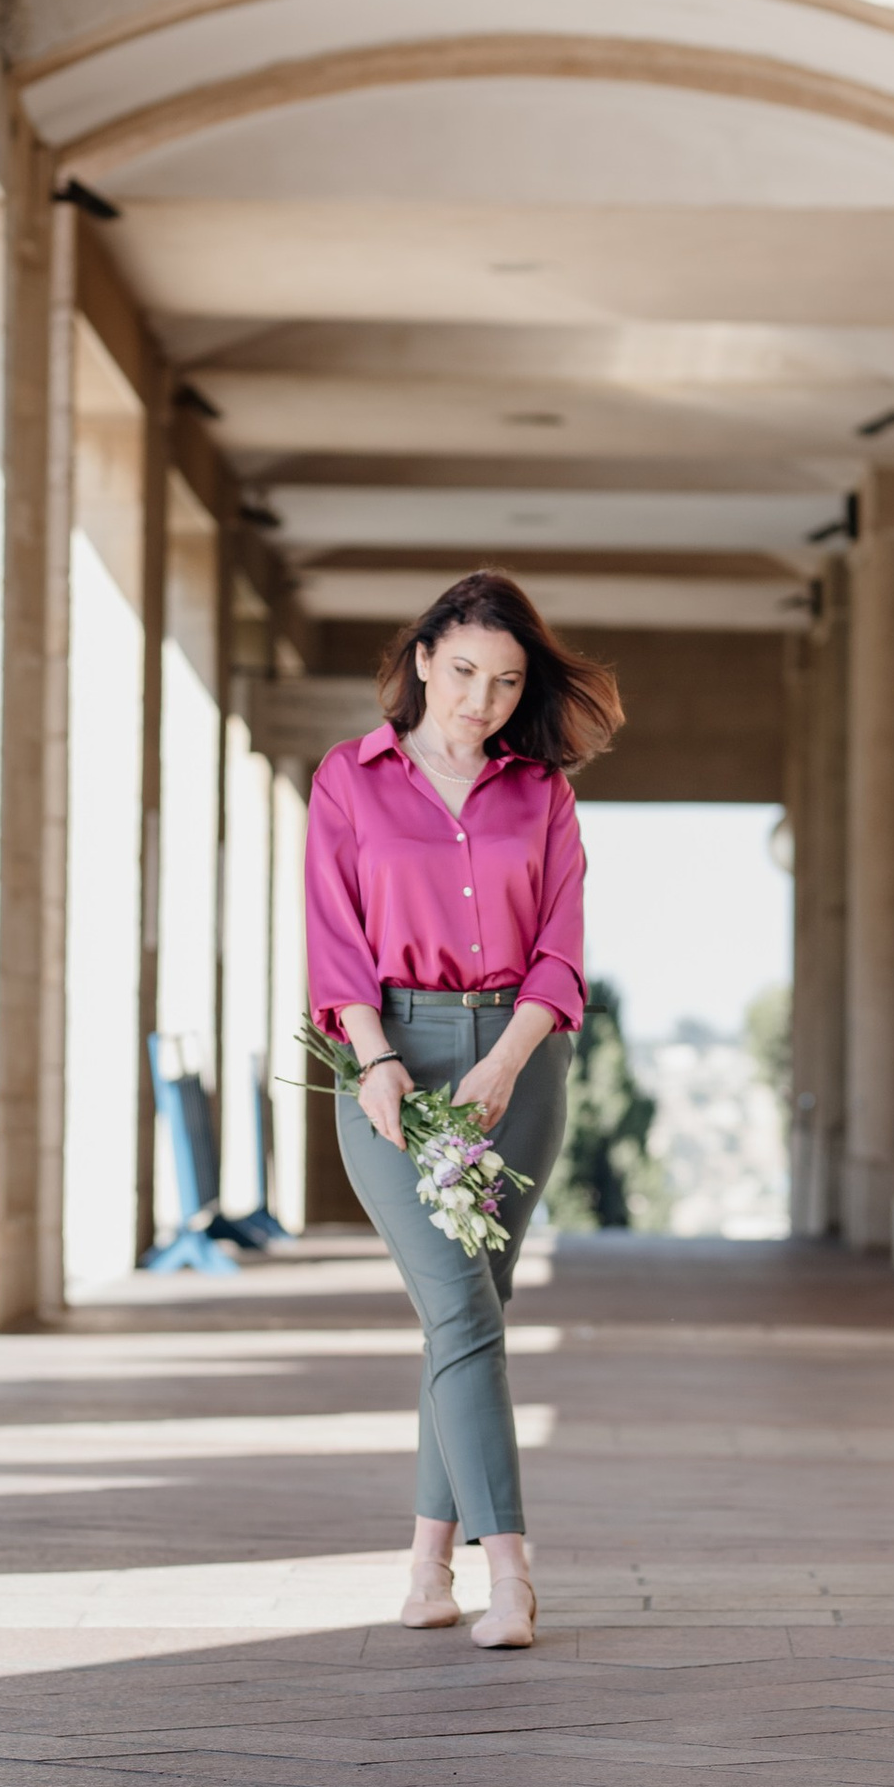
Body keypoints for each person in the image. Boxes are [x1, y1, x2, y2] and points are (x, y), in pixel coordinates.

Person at [305, 569, 622, 1650]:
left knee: (468, 1319)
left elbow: (563, 952)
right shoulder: (350, 780)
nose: (480, 699)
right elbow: (332, 940)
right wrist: (378, 1059)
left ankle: (426, 1567)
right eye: (464, 672)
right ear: (425, 656)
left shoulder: (543, 794)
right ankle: (515, 1578)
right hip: (394, 1058)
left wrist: (507, 1064)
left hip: (521, 1064)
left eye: (506, 681)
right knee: (461, 1315)